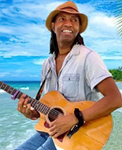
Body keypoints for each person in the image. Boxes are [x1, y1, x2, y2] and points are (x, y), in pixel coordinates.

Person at [15, 1, 122, 150]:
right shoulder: (47, 64)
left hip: (80, 135)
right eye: (62, 19)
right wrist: (31, 114)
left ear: (78, 28)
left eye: (74, 20)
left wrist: (74, 118)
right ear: (53, 26)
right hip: (54, 131)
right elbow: (50, 107)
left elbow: (115, 99)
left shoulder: (88, 57)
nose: (69, 23)